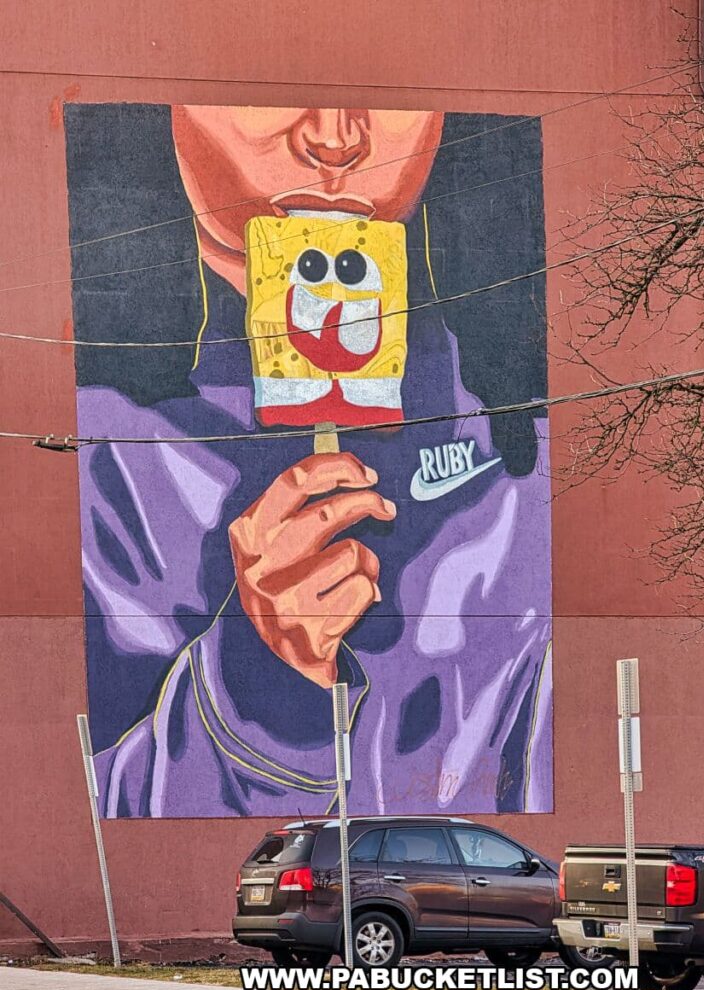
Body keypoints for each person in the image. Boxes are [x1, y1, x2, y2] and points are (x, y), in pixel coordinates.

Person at [68, 104, 553, 817]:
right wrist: (263, 676)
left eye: (389, 104)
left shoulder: (522, 468)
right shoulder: (90, 466)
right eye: (266, 100)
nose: (335, 139)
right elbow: (87, 816)